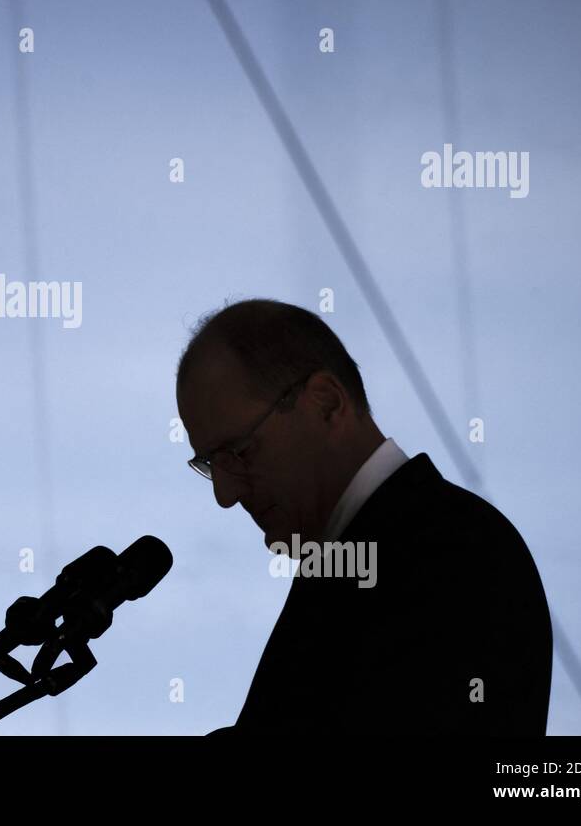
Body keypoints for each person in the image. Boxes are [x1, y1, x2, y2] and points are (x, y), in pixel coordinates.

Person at [175, 298, 553, 735]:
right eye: (210, 465)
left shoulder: (453, 551)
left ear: (325, 403)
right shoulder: (375, 554)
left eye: (237, 453)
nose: (225, 493)